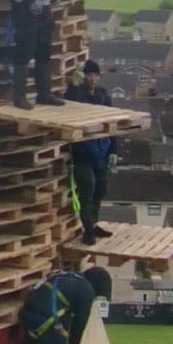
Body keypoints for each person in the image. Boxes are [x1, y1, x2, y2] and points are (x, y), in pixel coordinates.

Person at [67, 60, 116, 243]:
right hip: (83, 154)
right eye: (89, 75)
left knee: (100, 190)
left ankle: (93, 225)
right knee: (88, 191)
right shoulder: (78, 95)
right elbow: (70, 100)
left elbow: (112, 124)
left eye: (95, 75)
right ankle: (88, 231)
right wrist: (74, 84)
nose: (92, 79)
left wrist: (113, 150)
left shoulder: (103, 95)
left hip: (101, 151)